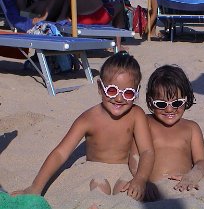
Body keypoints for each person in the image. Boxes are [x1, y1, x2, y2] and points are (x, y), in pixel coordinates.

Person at [12, 52, 155, 203]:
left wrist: (141, 179)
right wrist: (36, 187)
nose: (119, 98)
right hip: (93, 170)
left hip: (124, 169)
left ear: (137, 92)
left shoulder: (136, 115)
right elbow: (61, 153)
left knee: (126, 193)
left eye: (128, 93)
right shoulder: (88, 118)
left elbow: (147, 151)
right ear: (100, 87)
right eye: (112, 90)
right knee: (97, 189)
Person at [129, 65, 204, 201]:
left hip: (183, 190)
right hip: (152, 189)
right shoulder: (145, 123)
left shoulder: (191, 128)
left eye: (177, 102)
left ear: (186, 99)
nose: (169, 109)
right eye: (161, 104)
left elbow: (202, 161)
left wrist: (192, 176)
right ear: (150, 101)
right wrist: (142, 180)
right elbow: (135, 157)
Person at [61, 0, 127, 51]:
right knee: (119, 5)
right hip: (100, 18)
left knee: (67, 0)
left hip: (76, 21)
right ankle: (118, 45)